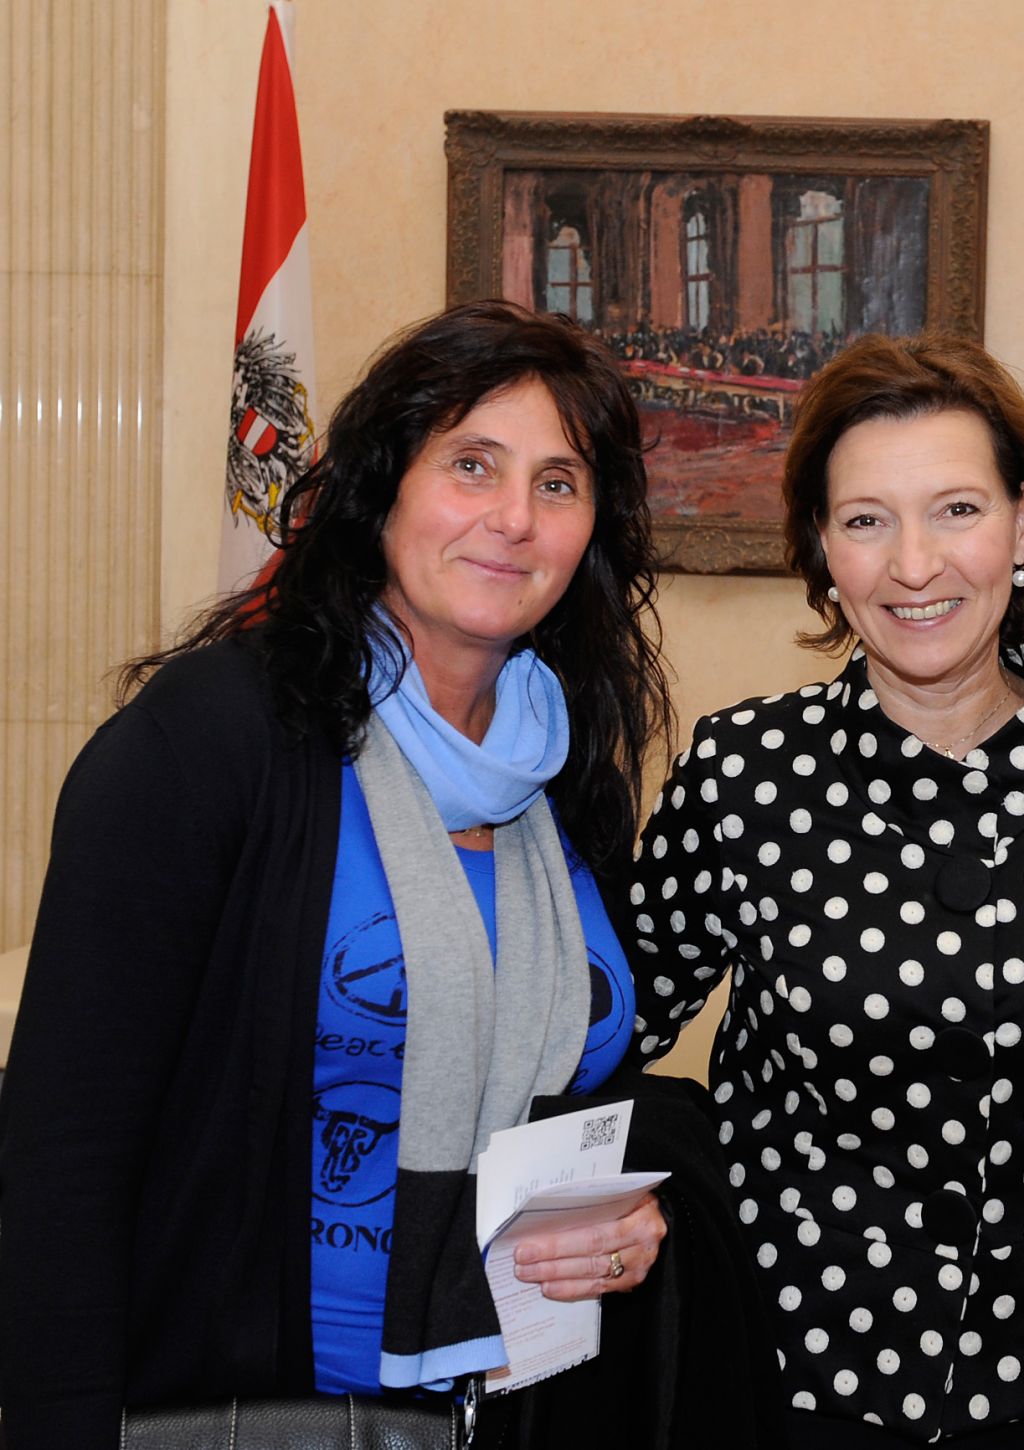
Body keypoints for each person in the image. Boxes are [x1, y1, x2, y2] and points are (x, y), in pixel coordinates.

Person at [0, 300, 676, 1447]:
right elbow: (63, 1152)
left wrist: (623, 1222)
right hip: (241, 1405)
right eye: (472, 464)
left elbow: (574, 1087)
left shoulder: (564, 776)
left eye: (558, 484)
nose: (513, 519)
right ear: (381, 490)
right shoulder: (212, 741)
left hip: (505, 1403)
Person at [626, 333, 1024, 1448]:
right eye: (866, 519)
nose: (913, 564)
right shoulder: (742, 776)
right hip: (795, 1376)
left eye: (957, 510)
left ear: (1023, 526)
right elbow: (596, 1029)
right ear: (823, 546)